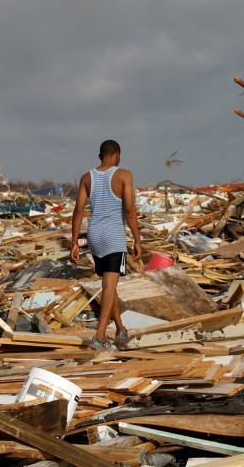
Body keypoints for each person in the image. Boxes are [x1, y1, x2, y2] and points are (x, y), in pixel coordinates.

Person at [70, 139, 143, 351]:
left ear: (100, 156)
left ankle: (120, 329)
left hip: (94, 236)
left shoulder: (87, 177)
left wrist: (74, 242)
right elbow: (129, 209)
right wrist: (137, 239)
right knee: (110, 285)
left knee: (108, 284)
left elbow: (78, 211)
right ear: (117, 155)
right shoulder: (124, 175)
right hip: (113, 236)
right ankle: (100, 337)